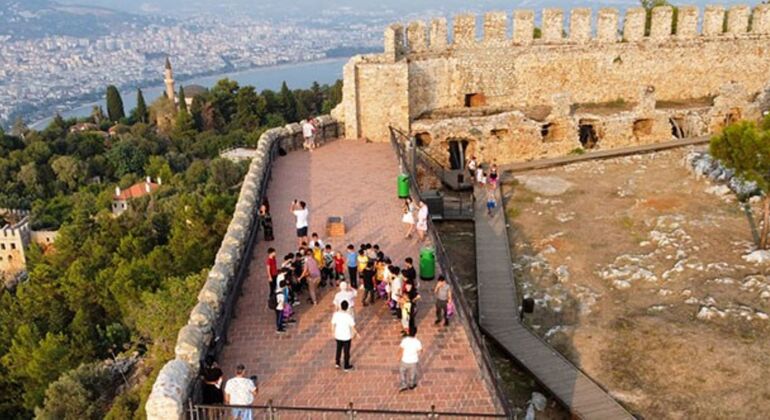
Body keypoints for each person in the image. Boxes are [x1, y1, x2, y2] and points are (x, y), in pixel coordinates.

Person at [331, 300, 358, 371]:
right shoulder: (349, 316)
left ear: (341, 306)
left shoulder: (336, 314)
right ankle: (346, 365)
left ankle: (337, 363)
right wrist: (355, 334)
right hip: (346, 336)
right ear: (347, 307)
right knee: (346, 351)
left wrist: (333, 332)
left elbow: (333, 324)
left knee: (338, 349)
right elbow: (352, 327)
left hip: (338, 335)